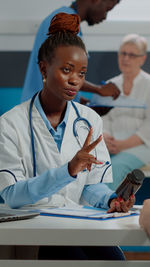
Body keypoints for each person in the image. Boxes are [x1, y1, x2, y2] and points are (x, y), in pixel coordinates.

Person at [0, 13, 134, 260]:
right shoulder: (10, 124)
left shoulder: (89, 120)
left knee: (116, 261)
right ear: (43, 68)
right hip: (37, 230)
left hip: (77, 222)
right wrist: (68, 170)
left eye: (82, 73)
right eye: (66, 70)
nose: (75, 80)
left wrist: (111, 200)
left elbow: (92, 186)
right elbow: (12, 195)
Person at [21, 0, 121, 104]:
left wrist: (80, 101)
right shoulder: (64, 22)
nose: (105, 17)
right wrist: (99, 89)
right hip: (43, 110)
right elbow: (64, 73)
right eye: (107, 9)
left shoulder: (64, 18)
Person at [102, 33, 150, 191]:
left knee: (115, 167)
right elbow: (104, 118)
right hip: (111, 144)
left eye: (131, 55)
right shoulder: (110, 84)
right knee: (95, 164)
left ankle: (109, 210)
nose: (125, 59)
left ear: (142, 59)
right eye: (123, 53)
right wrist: (106, 139)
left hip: (143, 145)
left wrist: (123, 145)